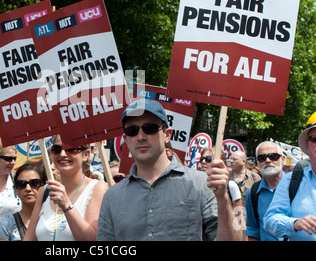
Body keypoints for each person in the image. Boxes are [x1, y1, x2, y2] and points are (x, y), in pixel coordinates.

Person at [97, 99, 243, 241]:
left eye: (150, 128)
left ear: (167, 135)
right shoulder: (112, 196)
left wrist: (222, 198)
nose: (140, 136)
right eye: (132, 130)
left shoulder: (200, 183)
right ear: (126, 139)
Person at [24, 134, 108, 241]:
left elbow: (91, 239)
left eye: (71, 149)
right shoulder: (46, 190)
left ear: (86, 154)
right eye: (57, 149)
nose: (63, 154)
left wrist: (66, 205)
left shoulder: (98, 188)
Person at [263, 112, 316, 240]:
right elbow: (269, 220)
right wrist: (294, 224)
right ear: (307, 145)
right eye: (315, 138)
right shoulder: (291, 179)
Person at [245, 141, 285, 241]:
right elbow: (253, 230)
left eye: (273, 156)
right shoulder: (253, 193)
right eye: (262, 157)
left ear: (283, 159)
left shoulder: (298, 186)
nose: (267, 160)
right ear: (257, 162)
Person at [200, 147, 245, 237]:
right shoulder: (196, 185)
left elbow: (240, 219)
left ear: (221, 163)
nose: (203, 162)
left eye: (208, 159)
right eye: (201, 159)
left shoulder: (231, 186)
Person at [0, 162, 43, 241]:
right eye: (21, 184)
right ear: (15, 189)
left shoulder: (52, 219)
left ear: (44, 186)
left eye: (34, 183)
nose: (28, 188)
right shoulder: (7, 222)